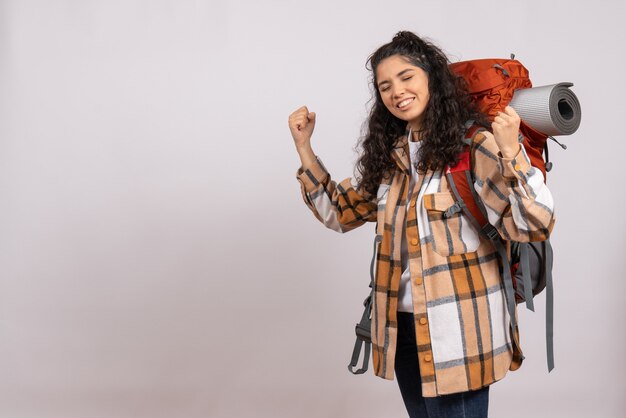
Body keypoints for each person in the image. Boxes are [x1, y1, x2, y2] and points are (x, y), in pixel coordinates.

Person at [288, 31, 555, 418]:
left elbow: (534, 223)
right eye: (385, 85)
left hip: (461, 333)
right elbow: (340, 212)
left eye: (406, 77)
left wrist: (512, 150)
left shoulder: (474, 146)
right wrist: (304, 148)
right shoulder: (392, 159)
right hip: (404, 330)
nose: (397, 91)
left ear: (431, 77)